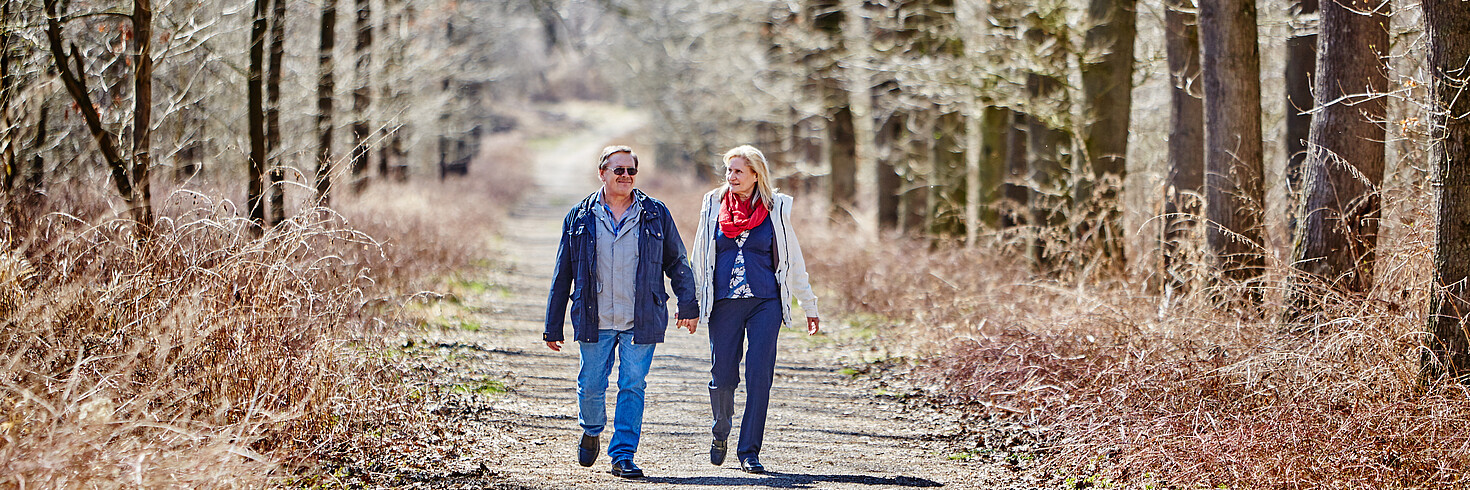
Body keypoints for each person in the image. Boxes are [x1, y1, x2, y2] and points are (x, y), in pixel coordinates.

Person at [544, 145, 698, 479]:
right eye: (619, 171)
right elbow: (563, 273)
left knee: (633, 385)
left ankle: (623, 454)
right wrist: (552, 325)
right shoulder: (579, 217)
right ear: (602, 173)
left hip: (640, 318)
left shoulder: (655, 213)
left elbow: (677, 260)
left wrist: (688, 303)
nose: (626, 177)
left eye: (631, 171)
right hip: (594, 318)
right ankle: (592, 428)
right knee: (591, 384)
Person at [689, 144, 820, 474]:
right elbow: (699, 257)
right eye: (728, 170)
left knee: (759, 377)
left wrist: (809, 305)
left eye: (737, 171)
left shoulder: (775, 209)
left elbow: (793, 262)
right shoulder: (713, 205)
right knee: (722, 377)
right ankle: (721, 431)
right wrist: (690, 301)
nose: (730, 176)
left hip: (766, 302)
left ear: (755, 175)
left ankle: (749, 451)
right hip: (724, 304)